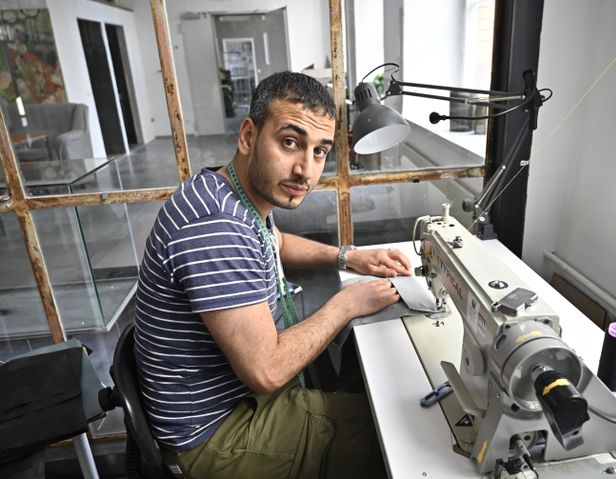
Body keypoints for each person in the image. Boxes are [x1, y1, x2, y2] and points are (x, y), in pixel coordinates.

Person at [134, 71, 413, 479]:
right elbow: (267, 371)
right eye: (290, 143)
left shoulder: (227, 190)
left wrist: (346, 257)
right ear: (248, 136)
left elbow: (274, 242)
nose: (305, 170)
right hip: (218, 437)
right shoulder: (216, 227)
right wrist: (346, 304)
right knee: (394, 435)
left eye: (320, 151)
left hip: (231, 401)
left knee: (373, 393)